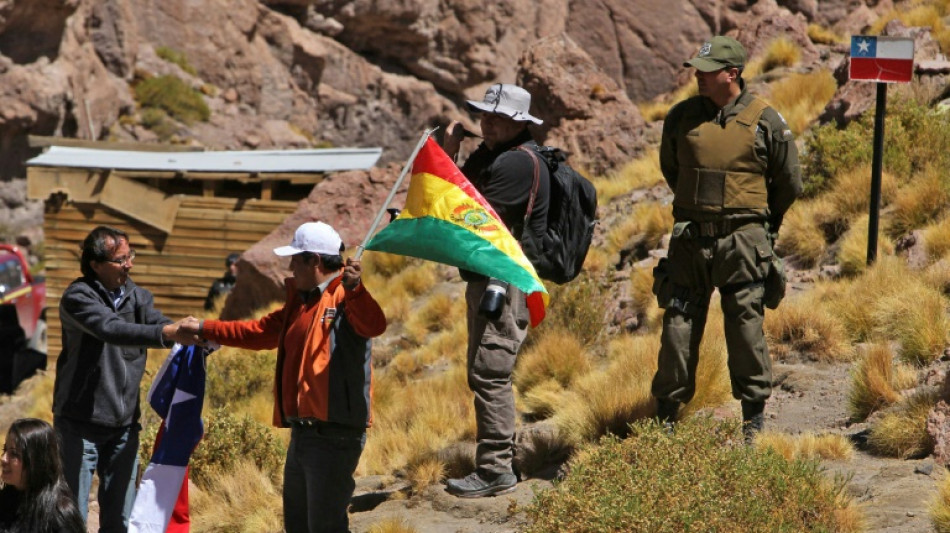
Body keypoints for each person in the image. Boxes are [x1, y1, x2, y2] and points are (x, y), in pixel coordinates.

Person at [179, 221, 386, 533]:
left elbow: (375, 325)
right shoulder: (301, 303)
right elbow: (257, 331)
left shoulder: (345, 296)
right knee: (299, 526)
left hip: (334, 436)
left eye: (295, 259)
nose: (289, 266)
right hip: (303, 435)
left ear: (314, 261)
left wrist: (356, 289)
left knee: (325, 527)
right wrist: (204, 328)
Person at [651, 36, 803, 441]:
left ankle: (753, 422)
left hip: (742, 242)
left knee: (745, 329)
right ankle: (666, 419)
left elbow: (788, 182)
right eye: (697, 69)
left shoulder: (766, 120)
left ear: (731, 74)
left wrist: (762, 227)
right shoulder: (681, 117)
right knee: (678, 326)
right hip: (690, 241)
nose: (698, 77)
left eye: (707, 70)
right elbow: (673, 170)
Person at [440, 83, 550, 498]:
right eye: (483, 115)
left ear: (518, 123)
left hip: (505, 283)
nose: (485, 123)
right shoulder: (493, 156)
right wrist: (452, 153)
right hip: (489, 280)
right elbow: (455, 191)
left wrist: (450, 158)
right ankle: (503, 459)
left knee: (490, 372)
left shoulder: (516, 165)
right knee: (487, 372)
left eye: (496, 118)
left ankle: (495, 471)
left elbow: (463, 213)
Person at [53, 225, 198, 532]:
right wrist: (166, 334)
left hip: (124, 427)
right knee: (73, 517)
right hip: (79, 424)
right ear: (95, 265)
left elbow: (159, 323)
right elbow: (111, 329)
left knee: (121, 518)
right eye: (120, 259)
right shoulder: (78, 297)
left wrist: (194, 335)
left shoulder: (138, 297)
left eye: (130, 256)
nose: (129, 264)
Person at [0, 418, 85, 533]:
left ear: (36, 461)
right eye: (4, 450)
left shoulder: (60, 515)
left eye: (14, 454)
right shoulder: (5, 501)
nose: (3, 459)